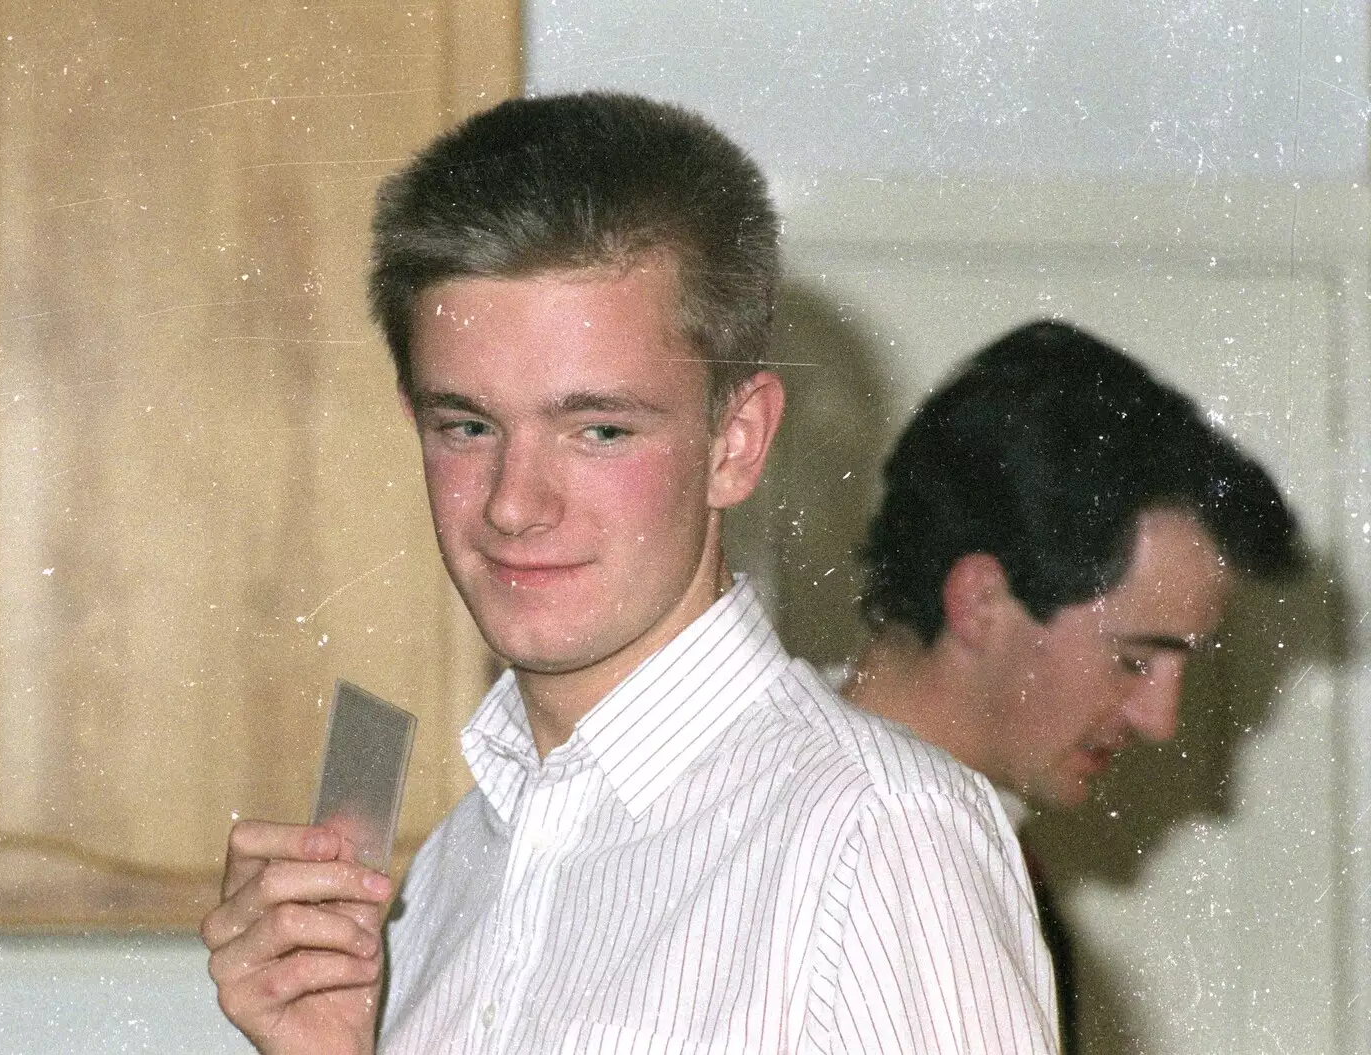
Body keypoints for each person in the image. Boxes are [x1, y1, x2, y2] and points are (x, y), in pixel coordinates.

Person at [201, 91, 1058, 1055]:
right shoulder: (448, 874)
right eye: (469, 426)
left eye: (599, 430)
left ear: (736, 442)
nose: (514, 503)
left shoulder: (881, 837)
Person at [841, 318, 1302, 1048]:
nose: (1160, 719)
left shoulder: (970, 851)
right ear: (982, 602)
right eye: (1134, 659)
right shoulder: (847, 856)